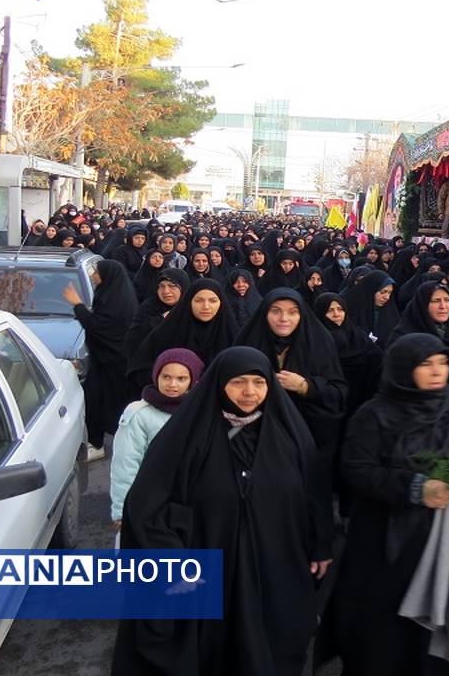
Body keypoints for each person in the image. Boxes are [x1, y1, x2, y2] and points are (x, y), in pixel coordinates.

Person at [112, 347, 333, 676]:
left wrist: (320, 544)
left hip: (274, 562)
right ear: (218, 384)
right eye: (238, 382)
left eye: (259, 382)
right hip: (206, 564)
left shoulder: (288, 433)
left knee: (270, 645)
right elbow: (146, 504)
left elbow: (313, 494)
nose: (249, 392)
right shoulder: (187, 436)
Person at [319, 334, 449, 676]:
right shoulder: (374, 414)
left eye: (442, 363)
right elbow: (356, 469)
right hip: (385, 540)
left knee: (436, 632)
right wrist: (416, 487)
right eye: (425, 365)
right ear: (402, 370)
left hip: (446, 536)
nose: (436, 372)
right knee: (383, 634)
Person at [235, 288, 346, 467]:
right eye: (276, 311)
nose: (284, 319)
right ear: (265, 313)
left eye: (292, 312)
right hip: (257, 438)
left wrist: (305, 386)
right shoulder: (249, 342)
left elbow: (339, 393)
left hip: (308, 437)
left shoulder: (319, 342)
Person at [109, 348, 205, 533]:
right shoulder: (139, 413)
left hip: (189, 506)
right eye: (166, 377)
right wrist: (121, 512)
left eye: (181, 379)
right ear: (156, 376)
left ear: (193, 380)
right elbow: (125, 464)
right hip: (148, 503)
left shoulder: (200, 411)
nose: (172, 384)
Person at [63, 260, 138, 461]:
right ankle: (98, 441)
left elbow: (97, 325)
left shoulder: (116, 300)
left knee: (104, 402)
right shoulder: (111, 294)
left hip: (113, 362)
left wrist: (77, 304)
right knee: (98, 400)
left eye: (96, 271)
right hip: (104, 360)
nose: (93, 275)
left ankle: (107, 443)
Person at [127, 279, 238, 391]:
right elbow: (141, 368)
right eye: (199, 300)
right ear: (189, 302)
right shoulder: (168, 331)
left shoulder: (231, 334)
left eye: (213, 301)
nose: (206, 306)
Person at [125, 268, 190, 355]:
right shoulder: (149, 308)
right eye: (162, 286)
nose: (166, 291)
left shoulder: (191, 308)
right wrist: (160, 319)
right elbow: (133, 339)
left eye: (172, 286)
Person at [388, 280, 449, 348]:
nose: (443, 306)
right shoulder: (403, 337)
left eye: (447, 300)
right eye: (436, 301)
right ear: (423, 304)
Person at [343, 269, 400, 345]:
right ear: (371, 290)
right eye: (383, 292)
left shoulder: (390, 312)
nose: (387, 297)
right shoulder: (350, 309)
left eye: (390, 293)